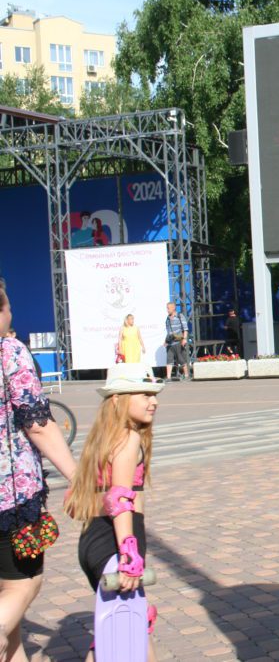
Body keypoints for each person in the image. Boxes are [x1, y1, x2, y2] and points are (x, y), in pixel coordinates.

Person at [0, 279, 78, 659]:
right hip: (10, 499)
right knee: (22, 585)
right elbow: (37, 423)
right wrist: (77, 476)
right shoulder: (9, 352)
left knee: (9, 620)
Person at [64, 363, 161, 659]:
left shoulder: (102, 438)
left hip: (93, 540)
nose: (153, 401)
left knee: (122, 633)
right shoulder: (128, 438)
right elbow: (119, 500)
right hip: (115, 543)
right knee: (125, 633)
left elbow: (75, 501)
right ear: (118, 400)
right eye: (144, 394)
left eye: (154, 394)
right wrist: (129, 556)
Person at [163, 302, 189, 380]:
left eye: (168, 308)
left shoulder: (179, 316)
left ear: (173, 308)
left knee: (181, 359)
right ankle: (168, 377)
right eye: (167, 308)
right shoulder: (167, 318)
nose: (167, 310)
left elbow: (185, 329)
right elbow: (168, 331)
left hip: (178, 341)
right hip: (170, 343)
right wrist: (166, 341)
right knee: (169, 360)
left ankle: (186, 375)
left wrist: (184, 339)